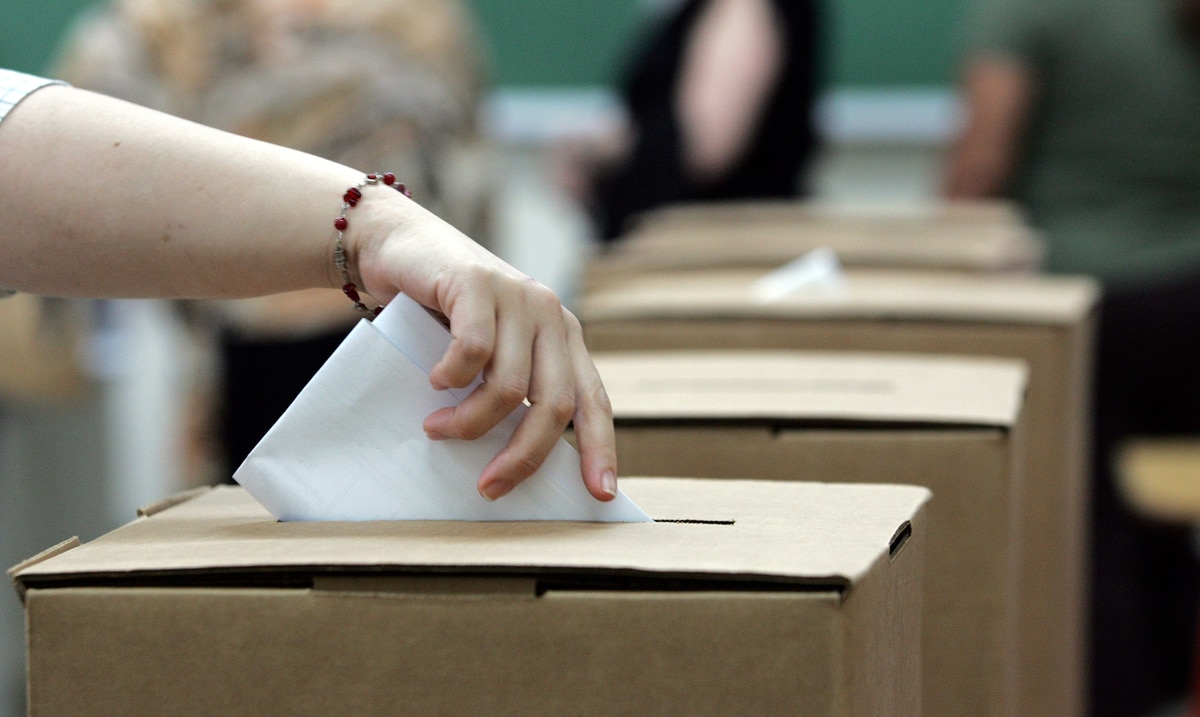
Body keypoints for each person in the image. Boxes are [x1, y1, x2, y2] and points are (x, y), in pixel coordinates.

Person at [0, 68, 618, 505]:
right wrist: (374, 226)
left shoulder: (418, 21)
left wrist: (384, 231)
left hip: (413, 336)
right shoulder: (161, 26)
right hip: (246, 356)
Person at [49, 0, 495, 479]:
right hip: (250, 345)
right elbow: (71, 157)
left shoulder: (415, 19)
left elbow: (469, 179)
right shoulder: (156, 26)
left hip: (397, 333)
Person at [944, 2, 1200, 715]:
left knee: (1085, 522)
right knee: (1170, 502)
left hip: (1086, 307)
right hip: (1191, 303)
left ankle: (1118, 694)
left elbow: (981, 161)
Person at [562, 0, 822, 242]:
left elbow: (705, 146)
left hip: (717, 242)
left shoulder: (743, 7)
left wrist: (607, 150)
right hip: (672, 235)